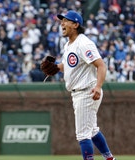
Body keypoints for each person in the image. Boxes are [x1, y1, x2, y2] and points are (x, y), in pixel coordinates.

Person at [56, 10, 116, 160]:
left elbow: (101, 65)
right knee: (92, 131)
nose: (62, 23)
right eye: (61, 20)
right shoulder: (69, 44)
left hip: (86, 91)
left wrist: (98, 86)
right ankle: (110, 158)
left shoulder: (83, 43)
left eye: (66, 21)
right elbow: (69, 64)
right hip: (80, 92)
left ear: (76, 24)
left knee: (83, 134)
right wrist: (57, 67)